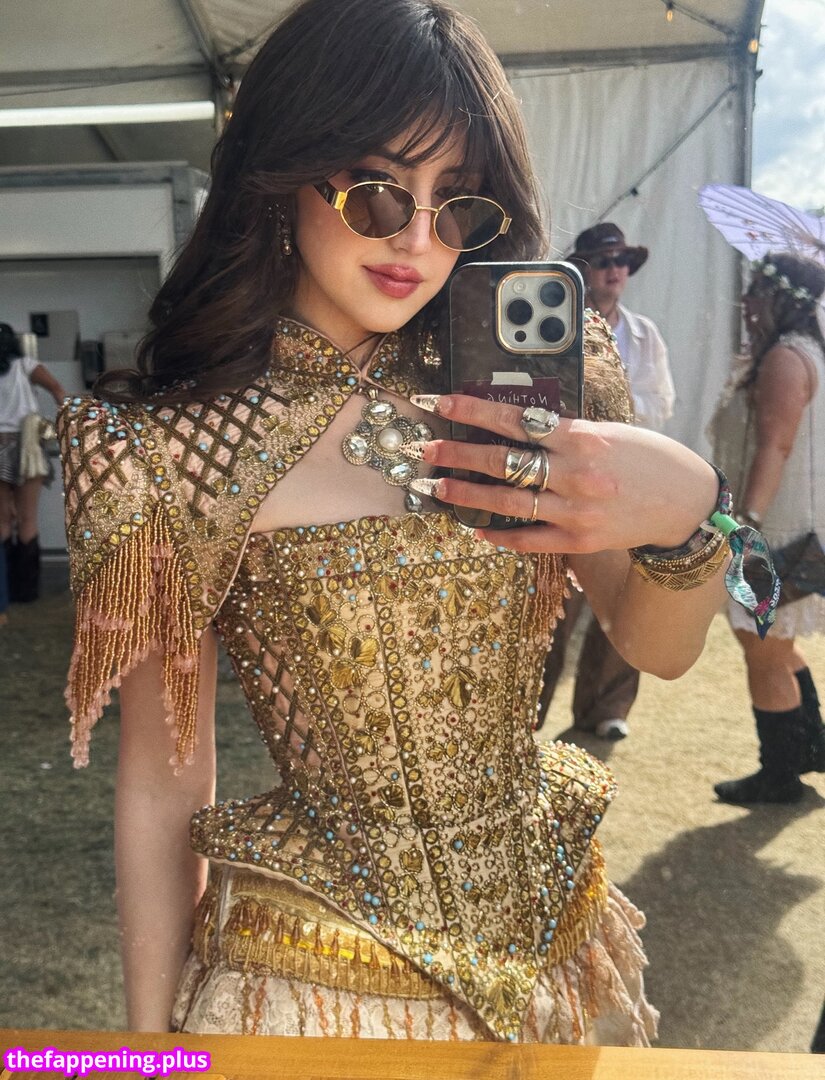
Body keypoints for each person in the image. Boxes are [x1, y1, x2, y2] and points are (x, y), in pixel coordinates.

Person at [58, 0, 765, 1044]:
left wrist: (690, 513)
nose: (419, 240)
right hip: (304, 983)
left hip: (551, 957)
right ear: (279, 173)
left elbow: (657, 649)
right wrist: (149, 1052)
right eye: (378, 192)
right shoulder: (166, 449)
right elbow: (165, 782)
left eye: (459, 203)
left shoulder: (544, 385)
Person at [538, 223, 675, 739]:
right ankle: (530, 706)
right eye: (603, 261)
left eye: (621, 261)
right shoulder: (554, 325)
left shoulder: (645, 334)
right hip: (563, 476)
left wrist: (604, 402)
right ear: (583, 270)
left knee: (625, 594)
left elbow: (661, 404)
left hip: (627, 478)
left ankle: (607, 709)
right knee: (552, 599)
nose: (615, 270)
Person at [711, 252, 825, 804]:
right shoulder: (800, 352)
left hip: (777, 531)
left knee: (763, 650)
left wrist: (745, 526)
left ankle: (780, 776)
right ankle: (811, 746)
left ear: (785, 298)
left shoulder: (786, 357)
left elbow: (774, 448)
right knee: (776, 645)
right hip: (795, 528)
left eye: (758, 289)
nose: (747, 301)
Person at [0, 322, 65, 603]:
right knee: (28, 519)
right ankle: (26, 592)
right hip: (27, 446)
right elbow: (57, 389)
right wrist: (66, 422)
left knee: (2, 520)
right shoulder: (26, 365)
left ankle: (4, 591)